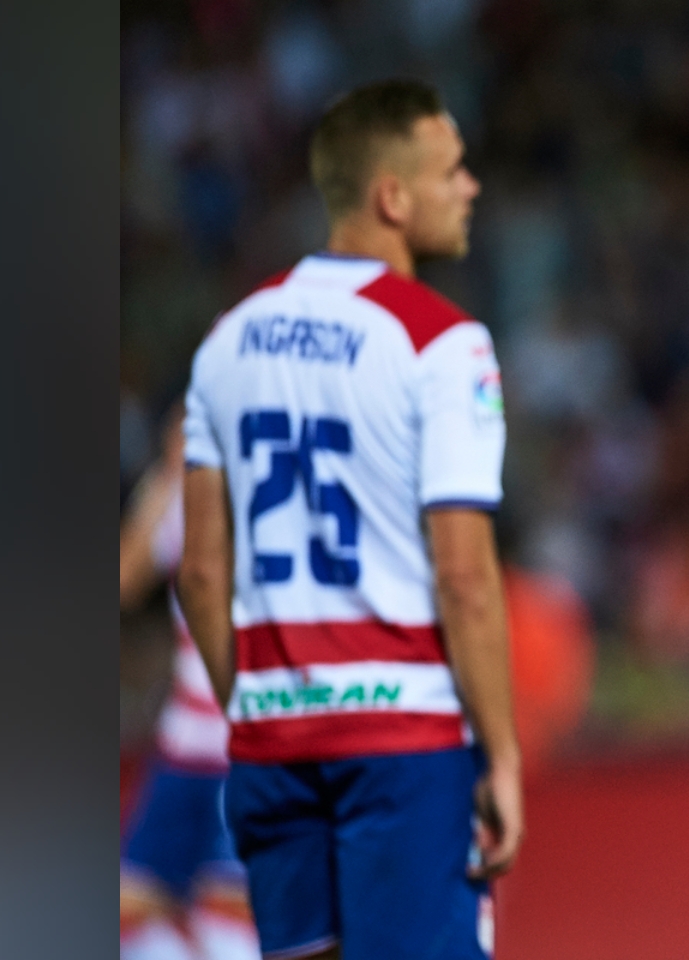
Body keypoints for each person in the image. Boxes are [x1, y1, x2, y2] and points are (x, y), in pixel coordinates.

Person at [176, 78, 521, 960]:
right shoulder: (444, 345)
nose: (471, 186)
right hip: (401, 742)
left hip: (271, 742)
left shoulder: (226, 341)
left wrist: (253, 708)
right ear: (392, 196)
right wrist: (503, 755)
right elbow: (466, 578)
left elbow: (203, 573)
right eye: (453, 170)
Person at [120, 411, 262, 960]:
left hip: (245, 746)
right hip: (186, 745)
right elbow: (126, 581)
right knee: (134, 908)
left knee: (232, 921)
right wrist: (161, 485)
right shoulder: (182, 501)